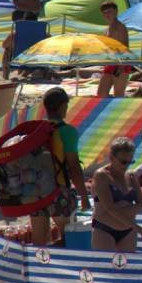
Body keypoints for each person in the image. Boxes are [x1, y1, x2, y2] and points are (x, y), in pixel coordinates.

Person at [30, 88, 91, 247]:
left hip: (35, 192)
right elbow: (74, 167)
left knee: (38, 244)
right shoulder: (68, 132)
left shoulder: (35, 130)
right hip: (59, 192)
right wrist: (84, 197)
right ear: (63, 106)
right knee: (71, 240)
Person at [90, 138, 142, 252]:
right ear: (111, 157)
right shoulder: (102, 176)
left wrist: (119, 209)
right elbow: (109, 207)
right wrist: (136, 226)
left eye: (131, 162)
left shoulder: (131, 176)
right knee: (104, 267)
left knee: (127, 268)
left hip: (128, 230)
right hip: (104, 229)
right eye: (123, 162)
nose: (126, 166)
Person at [97, 0, 131, 97]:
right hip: (111, 63)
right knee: (101, 93)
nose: (107, 14)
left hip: (121, 63)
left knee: (118, 94)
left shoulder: (120, 27)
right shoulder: (108, 28)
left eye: (109, 11)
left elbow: (125, 47)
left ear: (116, 12)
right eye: (105, 12)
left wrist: (121, 66)